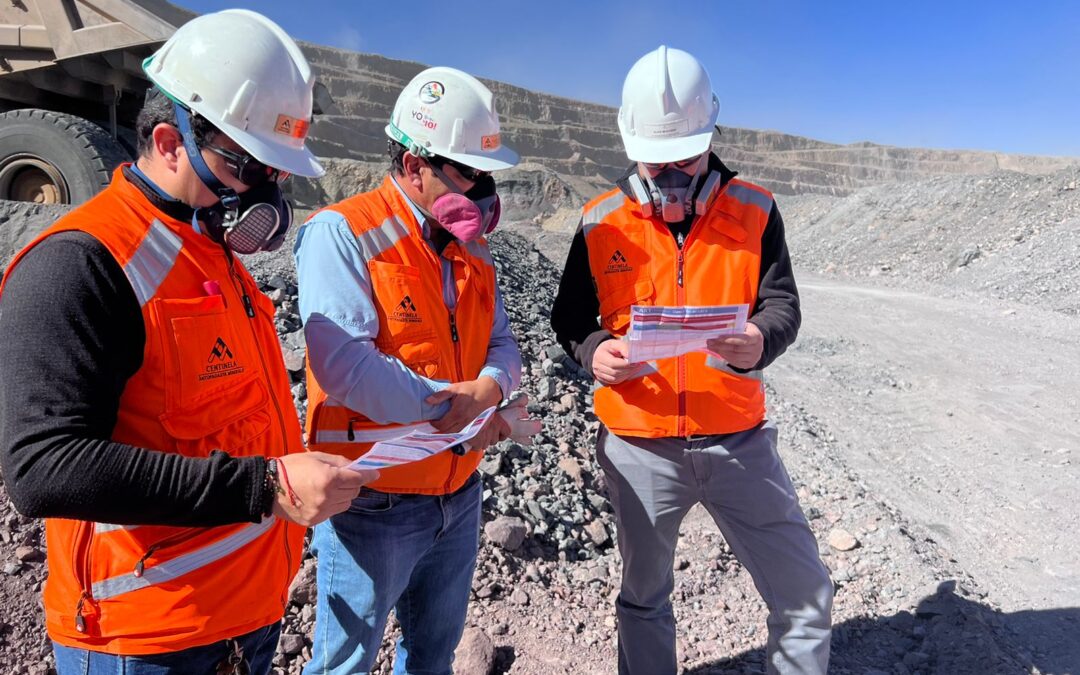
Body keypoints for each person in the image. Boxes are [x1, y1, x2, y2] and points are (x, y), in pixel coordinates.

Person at [0, 10, 376, 674]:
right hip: (142, 643)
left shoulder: (212, 257)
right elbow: (41, 468)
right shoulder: (83, 262)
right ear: (171, 142)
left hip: (239, 624)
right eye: (249, 165)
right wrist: (264, 485)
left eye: (276, 172)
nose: (265, 189)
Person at [550, 46, 833, 674]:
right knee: (644, 600)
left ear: (712, 142)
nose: (675, 175)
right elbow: (569, 320)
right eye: (660, 161)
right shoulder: (599, 222)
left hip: (739, 441)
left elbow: (781, 303)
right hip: (639, 446)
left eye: (688, 159)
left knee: (805, 596)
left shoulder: (756, 210)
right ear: (631, 149)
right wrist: (596, 352)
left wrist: (761, 338)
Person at [294, 66, 522, 674]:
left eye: (486, 176)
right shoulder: (342, 233)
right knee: (344, 665)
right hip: (375, 503)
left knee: (433, 655)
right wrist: (454, 406)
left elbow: (503, 341)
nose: (480, 190)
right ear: (415, 164)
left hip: (459, 492)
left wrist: (490, 387)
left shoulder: (472, 247)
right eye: (468, 172)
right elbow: (344, 367)